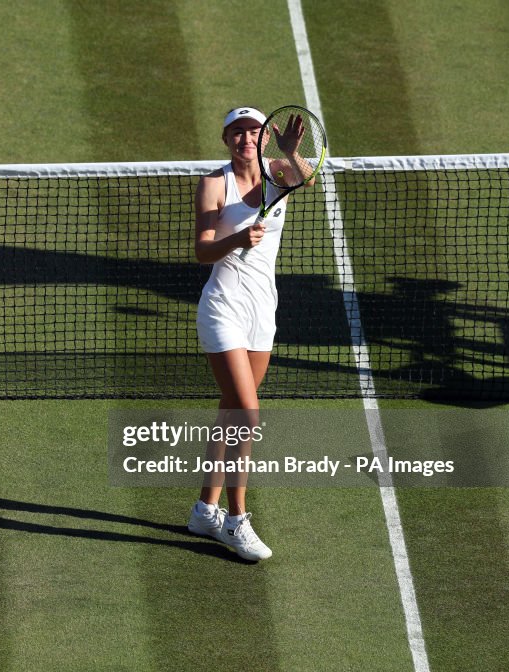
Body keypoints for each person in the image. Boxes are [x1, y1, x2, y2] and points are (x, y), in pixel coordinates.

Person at [185, 106, 313, 561]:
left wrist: (292, 152)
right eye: (237, 132)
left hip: (263, 311)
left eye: (253, 131)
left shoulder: (278, 171)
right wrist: (237, 240)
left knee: (231, 411)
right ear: (226, 139)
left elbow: (308, 180)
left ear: (264, 137)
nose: (245, 139)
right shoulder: (213, 184)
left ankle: (205, 510)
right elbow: (203, 251)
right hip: (223, 309)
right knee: (248, 414)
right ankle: (236, 520)